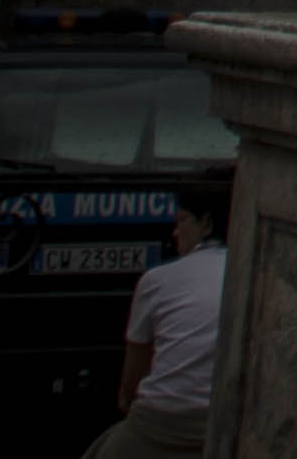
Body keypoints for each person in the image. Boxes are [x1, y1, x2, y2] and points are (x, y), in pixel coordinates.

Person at [85, 177, 227, 457]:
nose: (175, 232)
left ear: (206, 224)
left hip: (162, 421)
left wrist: (127, 399)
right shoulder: (256, 272)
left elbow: (132, 380)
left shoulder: (159, 280)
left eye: (182, 221)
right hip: (226, 420)